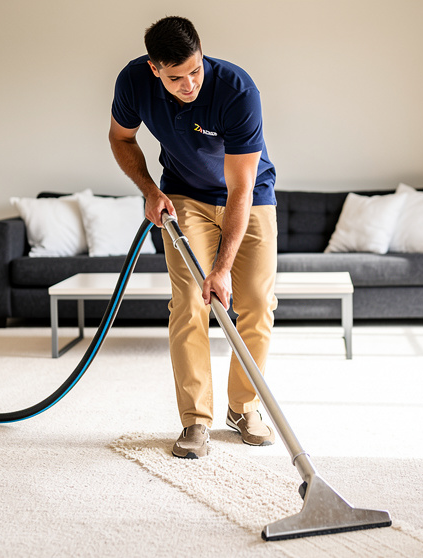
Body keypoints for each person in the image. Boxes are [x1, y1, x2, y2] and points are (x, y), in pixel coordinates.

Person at [109, 16, 278, 459]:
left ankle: (243, 408)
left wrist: (222, 269)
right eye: (176, 77)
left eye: (195, 71)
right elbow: (120, 137)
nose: (189, 85)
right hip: (184, 195)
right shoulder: (132, 82)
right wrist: (150, 190)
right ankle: (195, 420)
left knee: (256, 303)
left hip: (250, 196)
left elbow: (240, 188)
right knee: (189, 301)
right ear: (154, 69)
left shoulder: (237, 90)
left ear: (203, 55)